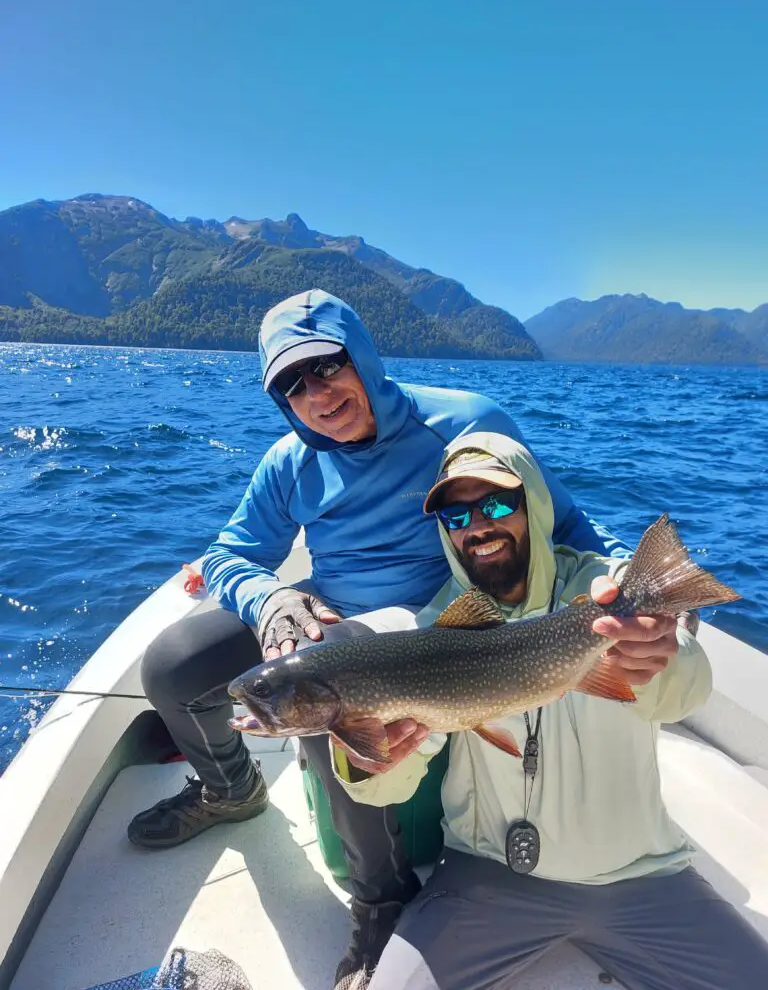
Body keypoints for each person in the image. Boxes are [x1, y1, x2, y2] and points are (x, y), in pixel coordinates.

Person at [126, 288, 675, 990]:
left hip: (434, 632)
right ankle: (230, 788)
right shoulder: (289, 462)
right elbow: (230, 553)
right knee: (174, 665)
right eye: (291, 385)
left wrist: (633, 586)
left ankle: (381, 899)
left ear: (363, 355)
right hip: (320, 623)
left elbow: (564, 523)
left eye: (326, 367)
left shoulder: (465, 422)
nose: (316, 394)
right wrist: (271, 600)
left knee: (330, 711)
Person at [330, 431, 768, 990]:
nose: (478, 526)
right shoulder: (437, 630)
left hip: (640, 876)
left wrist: (659, 656)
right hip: (486, 876)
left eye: (495, 504)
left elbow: (685, 694)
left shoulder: (604, 591)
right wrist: (368, 762)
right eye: (457, 516)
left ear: (533, 502)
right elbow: (391, 787)